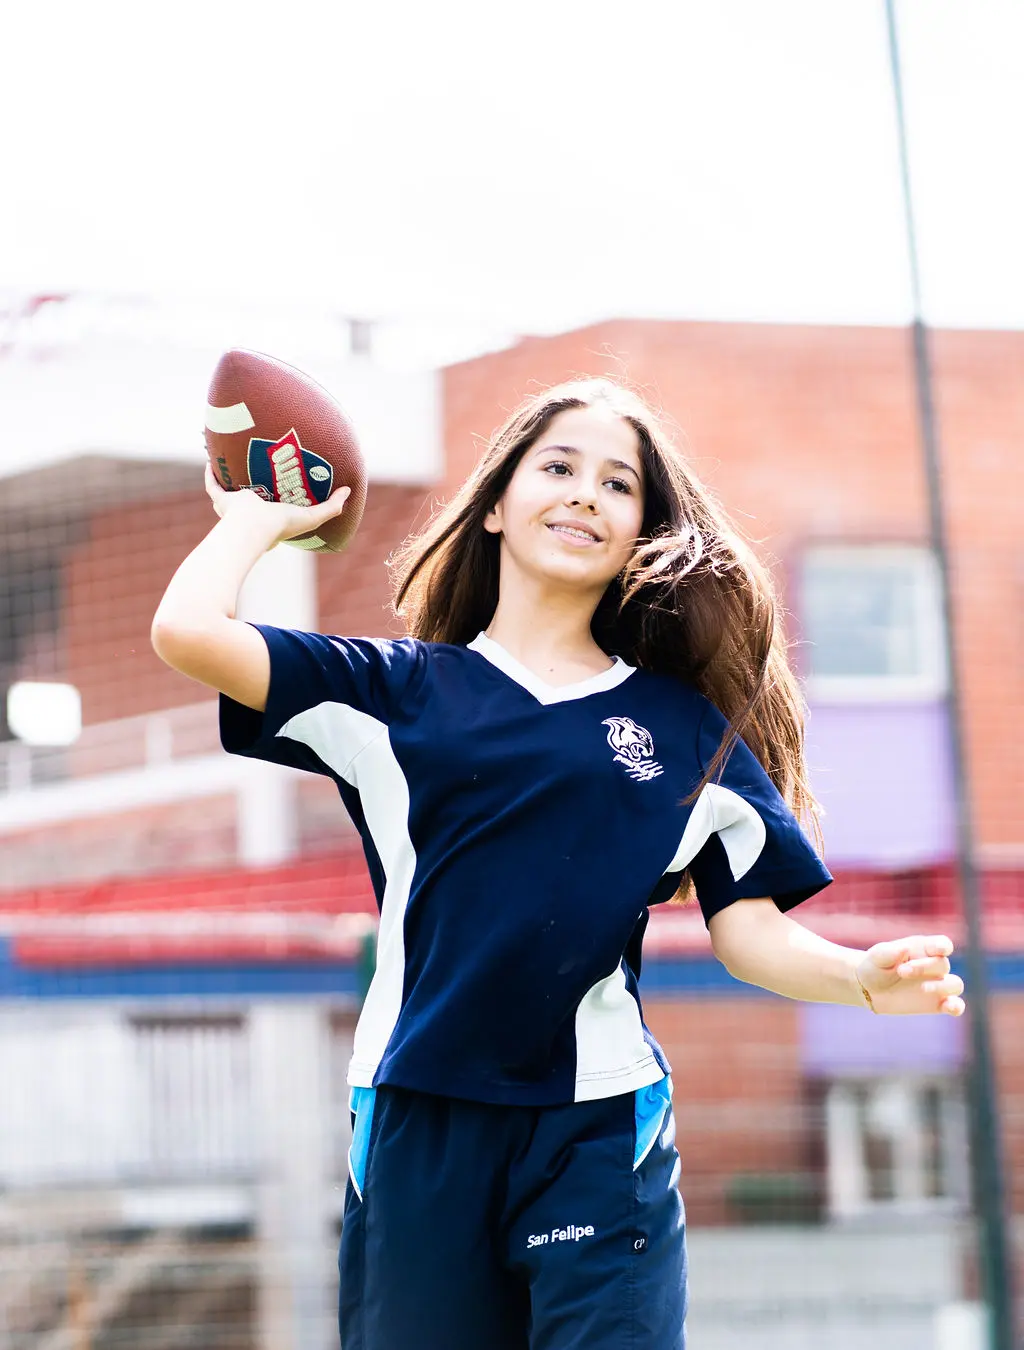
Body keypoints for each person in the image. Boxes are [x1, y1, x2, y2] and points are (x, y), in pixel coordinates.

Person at [152, 377, 966, 1350]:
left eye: (618, 484)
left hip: (599, 1123)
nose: (586, 493)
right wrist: (256, 520)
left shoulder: (682, 731)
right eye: (558, 467)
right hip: (418, 1120)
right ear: (496, 505)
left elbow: (748, 932)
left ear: (639, 535)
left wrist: (859, 978)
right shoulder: (393, 693)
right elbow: (188, 633)